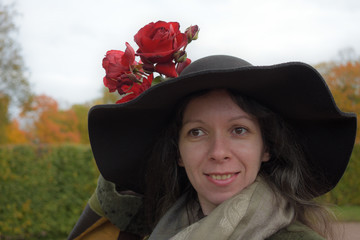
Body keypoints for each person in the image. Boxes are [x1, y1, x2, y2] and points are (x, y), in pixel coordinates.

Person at [68, 23, 357, 240]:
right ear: (178, 153)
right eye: (196, 132)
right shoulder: (158, 230)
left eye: (239, 130)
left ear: (266, 147)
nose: (218, 152)